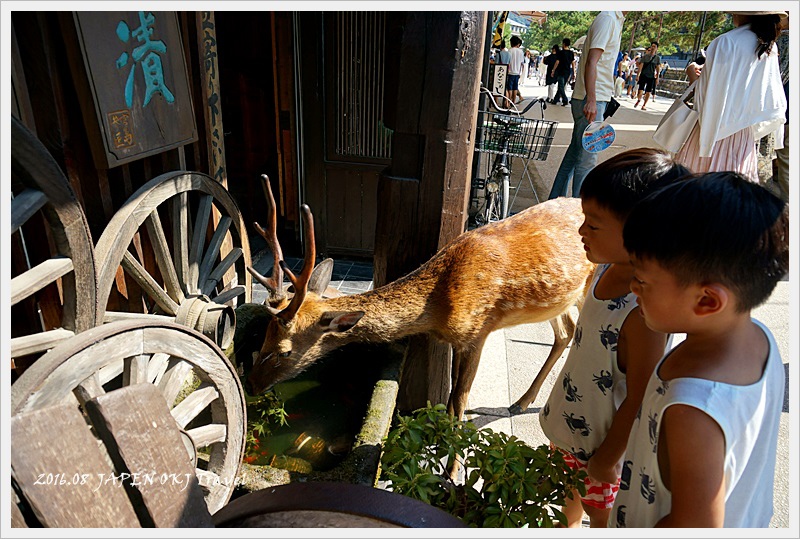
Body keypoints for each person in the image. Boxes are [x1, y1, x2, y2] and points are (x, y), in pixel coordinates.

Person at [610, 172, 789, 528]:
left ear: (707, 300)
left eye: (642, 280)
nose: (633, 287)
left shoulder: (693, 410)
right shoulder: (760, 338)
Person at [540, 148, 690, 528]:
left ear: (642, 232)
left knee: (603, 518)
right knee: (567, 496)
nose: (580, 232)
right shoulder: (605, 267)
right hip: (574, 426)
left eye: (593, 224)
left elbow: (640, 395)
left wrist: (607, 457)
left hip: (601, 447)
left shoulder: (642, 313)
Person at [674, 11, 787, 184]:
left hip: (711, 131)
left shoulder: (726, 41)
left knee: (696, 188)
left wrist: (693, 77)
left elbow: (707, 98)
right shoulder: (768, 46)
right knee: (734, 194)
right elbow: (770, 95)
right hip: (743, 135)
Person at [548, 11, 627, 200]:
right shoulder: (608, 18)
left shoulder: (614, 19)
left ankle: (554, 202)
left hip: (592, 97)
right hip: (592, 98)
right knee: (587, 160)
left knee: (575, 155)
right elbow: (592, 62)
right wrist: (591, 99)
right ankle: (579, 213)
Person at [633, 42, 661, 110]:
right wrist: (638, 75)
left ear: (657, 48)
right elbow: (641, 66)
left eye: (654, 46)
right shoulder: (645, 56)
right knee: (640, 90)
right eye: (652, 46)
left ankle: (644, 105)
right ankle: (639, 99)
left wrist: (657, 78)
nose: (652, 48)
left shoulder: (657, 58)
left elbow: (658, 68)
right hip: (643, 75)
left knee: (648, 91)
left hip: (651, 76)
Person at [551, 38, 576, 106]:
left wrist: (553, 70)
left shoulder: (560, 53)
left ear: (564, 44)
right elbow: (573, 63)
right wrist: (574, 72)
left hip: (560, 71)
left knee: (561, 87)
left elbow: (557, 62)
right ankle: (555, 100)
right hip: (567, 72)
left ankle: (565, 100)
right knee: (561, 86)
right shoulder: (571, 53)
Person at [506, 35, 526, 104]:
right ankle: (513, 101)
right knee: (515, 87)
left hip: (510, 72)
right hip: (517, 72)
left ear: (511, 43)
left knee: (510, 88)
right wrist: (521, 73)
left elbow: (508, 62)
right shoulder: (521, 52)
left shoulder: (509, 51)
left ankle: (508, 101)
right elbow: (522, 64)